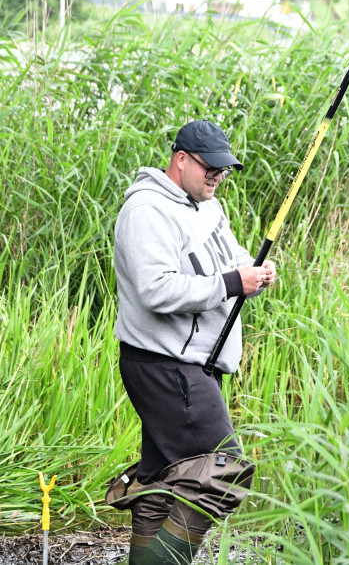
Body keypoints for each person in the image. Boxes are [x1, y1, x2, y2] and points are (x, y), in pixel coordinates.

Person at [107, 120, 277, 565]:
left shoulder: (207, 205)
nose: (217, 178)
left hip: (194, 364)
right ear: (180, 160)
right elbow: (156, 291)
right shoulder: (146, 212)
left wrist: (253, 271)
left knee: (162, 480)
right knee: (226, 472)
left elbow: (231, 256)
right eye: (210, 169)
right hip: (164, 365)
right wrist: (232, 282)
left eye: (223, 171)